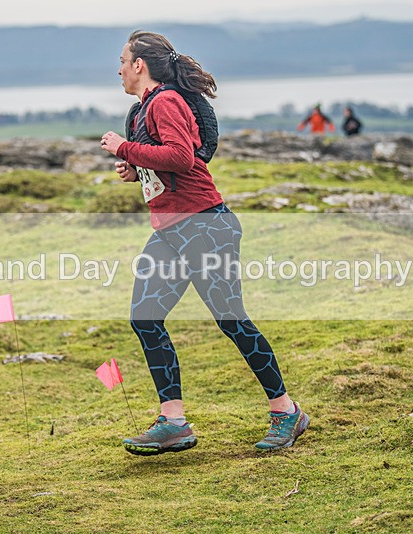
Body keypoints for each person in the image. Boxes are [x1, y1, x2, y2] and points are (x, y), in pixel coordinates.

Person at [100, 30, 309, 455]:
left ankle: (287, 412)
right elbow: (166, 162)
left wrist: (125, 148)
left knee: (231, 320)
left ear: (140, 64)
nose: (118, 70)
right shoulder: (143, 109)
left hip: (205, 226)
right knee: (145, 317)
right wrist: (133, 164)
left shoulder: (165, 101)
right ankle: (173, 421)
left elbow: (182, 156)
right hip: (170, 232)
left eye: (122, 61)